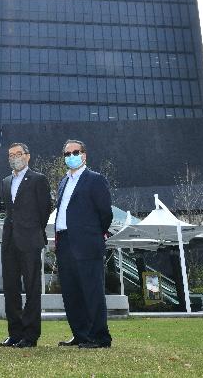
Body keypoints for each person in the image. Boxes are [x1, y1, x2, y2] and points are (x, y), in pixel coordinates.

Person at [54, 140, 113, 349]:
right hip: (64, 243)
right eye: (67, 153)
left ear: (84, 155)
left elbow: (106, 213)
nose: (71, 156)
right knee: (72, 292)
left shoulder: (95, 180)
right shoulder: (63, 182)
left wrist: (97, 234)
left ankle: (100, 337)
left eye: (75, 152)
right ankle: (80, 334)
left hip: (88, 243)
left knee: (92, 291)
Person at [0, 142, 51, 348]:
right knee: (10, 288)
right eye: (11, 155)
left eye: (18, 154)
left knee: (32, 288)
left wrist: (33, 230)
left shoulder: (39, 179)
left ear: (28, 156)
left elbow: (45, 209)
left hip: (30, 241)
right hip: (9, 241)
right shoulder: (5, 181)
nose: (14, 157)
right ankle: (15, 333)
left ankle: (30, 335)